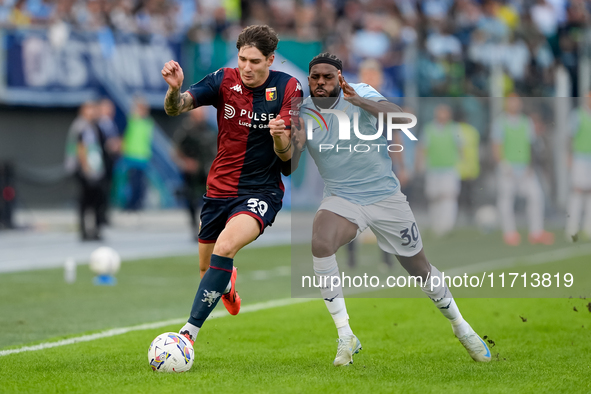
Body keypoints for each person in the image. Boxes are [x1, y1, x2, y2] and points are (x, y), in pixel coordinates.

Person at [288, 53, 490, 366]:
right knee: (321, 242)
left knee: (420, 270)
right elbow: (291, 166)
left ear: (340, 79)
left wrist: (359, 102)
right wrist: (288, 144)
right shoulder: (302, 112)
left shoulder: (362, 92)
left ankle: (460, 326)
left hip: (385, 197)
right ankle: (345, 335)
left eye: (328, 77)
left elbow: (399, 118)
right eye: (315, 77)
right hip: (342, 198)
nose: (320, 83)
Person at [161, 25, 302, 345]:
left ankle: (186, 336)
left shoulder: (288, 87)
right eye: (242, 60)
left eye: (254, 61)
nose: (247, 68)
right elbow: (176, 107)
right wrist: (174, 89)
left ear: (270, 60)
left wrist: (280, 139)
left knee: (225, 248)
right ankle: (226, 284)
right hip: (218, 189)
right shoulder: (223, 80)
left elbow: (288, 161)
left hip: (261, 191)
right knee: (206, 270)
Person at [492, 93, 554, 246]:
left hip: (525, 168)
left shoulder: (527, 122)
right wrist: (503, 164)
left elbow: (531, 145)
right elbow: (496, 146)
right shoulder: (500, 123)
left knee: (536, 196)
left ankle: (536, 232)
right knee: (506, 200)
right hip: (508, 168)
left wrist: (530, 165)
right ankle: (509, 233)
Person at [171, 107, 217, 241]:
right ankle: (194, 227)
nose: (201, 117)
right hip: (192, 172)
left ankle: (210, 227)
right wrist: (186, 162)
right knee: (191, 199)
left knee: (212, 199)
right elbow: (175, 150)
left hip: (208, 170)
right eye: (198, 114)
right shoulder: (185, 130)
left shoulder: (209, 128)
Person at [418, 104, 462, 237]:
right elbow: (422, 148)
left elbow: (460, 148)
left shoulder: (454, 129)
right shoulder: (429, 129)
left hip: (449, 168)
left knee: (448, 196)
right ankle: (436, 224)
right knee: (434, 196)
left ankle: (447, 224)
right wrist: (420, 163)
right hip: (433, 167)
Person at [65, 101, 107, 241]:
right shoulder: (81, 126)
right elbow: (81, 148)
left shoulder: (93, 126)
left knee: (95, 200)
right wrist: (86, 169)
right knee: (85, 200)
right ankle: (84, 231)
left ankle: (93, 229)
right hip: (84, 170)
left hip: (94, 169)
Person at [120, 96, 154, 211]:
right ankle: (130, 205)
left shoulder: (148, 123)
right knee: (132, 183)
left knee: (140, 184)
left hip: (143, 158)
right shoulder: (131, 120)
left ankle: (138, 204)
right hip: (132, 157)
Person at [565, 92, 591, 242]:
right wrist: (569, 156)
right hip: (580, 158)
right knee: (577, 191)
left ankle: (588, 226)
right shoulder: (577, 115)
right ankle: (572, 227)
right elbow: (570, 136)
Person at [96, 98, 121, 224]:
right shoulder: (98, 124)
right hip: (102, 162)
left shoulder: (111, 123)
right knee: (101, 189)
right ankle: (99, 216)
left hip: (111, 161)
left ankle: (105, 214)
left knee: (108, 189)